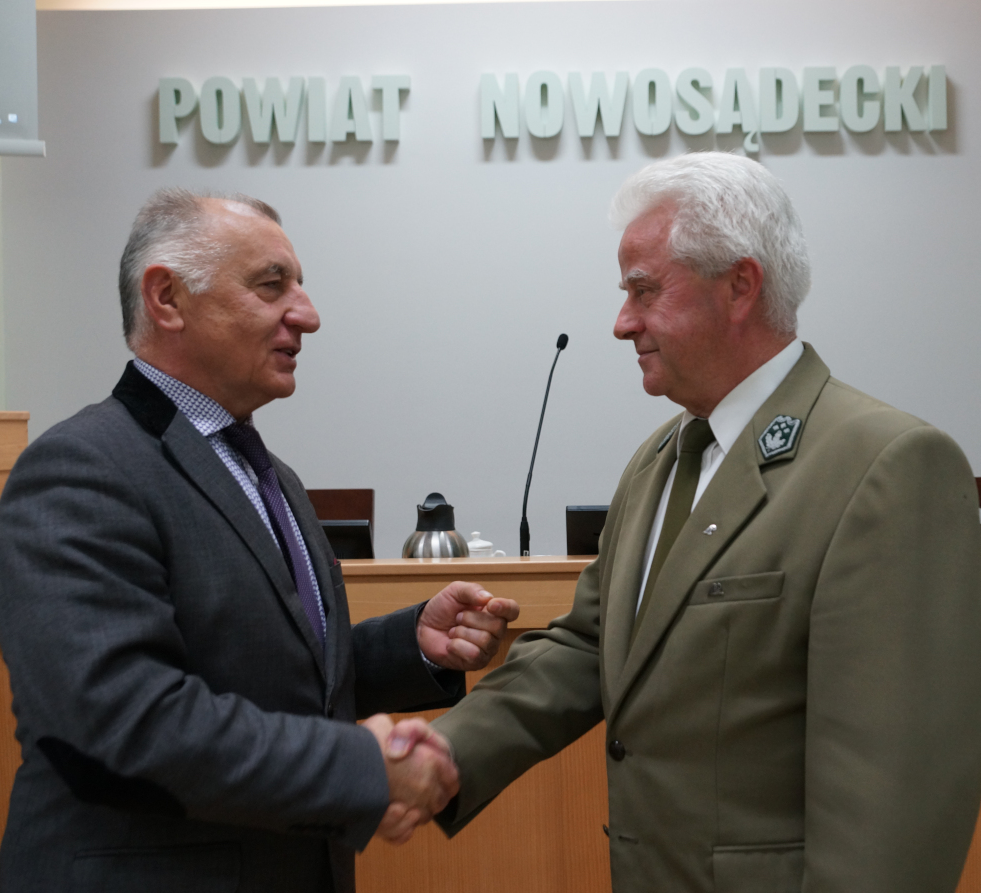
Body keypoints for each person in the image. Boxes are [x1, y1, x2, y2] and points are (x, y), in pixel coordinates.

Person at [413, 153, 981, 892]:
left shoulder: (888, 465)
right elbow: (592, 648)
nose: (622, 323)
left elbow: (895, 796)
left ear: (740, 285)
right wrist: (438, 757)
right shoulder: (662, 458)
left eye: (644, 290)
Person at [0, 188, 517, 893]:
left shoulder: (268, 473)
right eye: (272, 285)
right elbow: (120, 720)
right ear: (167, 298)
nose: (308, 314)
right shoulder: (78, 470)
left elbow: (264, 672)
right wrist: (359, 767)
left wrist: (410, 646)